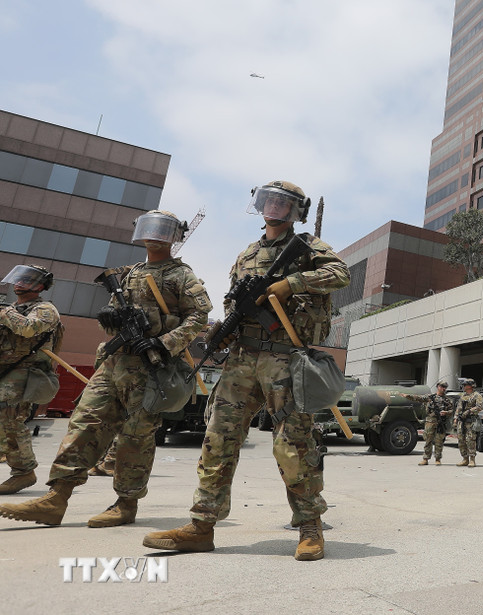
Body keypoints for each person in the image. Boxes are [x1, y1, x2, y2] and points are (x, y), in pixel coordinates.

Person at [143, 180, 350, 561]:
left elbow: (341, 274)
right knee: (217, 440)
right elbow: (234, 301)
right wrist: (224, 332)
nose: (273, 208)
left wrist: (292, 283)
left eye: (282, 203)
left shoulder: (308, 247)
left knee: (293, 444)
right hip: (241, 358)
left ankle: (310, 526)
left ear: (295, 211)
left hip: (285, 358)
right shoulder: (246, 255)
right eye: (268, 201)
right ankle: (201, 526)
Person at [0, 210, 211, 526]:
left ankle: (126, 503)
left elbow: (198, 317)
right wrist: (109, 319)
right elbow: (113, 318)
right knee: (83, 424)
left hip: (151, 367)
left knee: (135, 436)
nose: (154, 235)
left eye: (162, 230)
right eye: (150, 228)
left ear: (174, 236)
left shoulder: (181, 275)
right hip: (115, 363)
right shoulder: (129, 273)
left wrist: (163, 341)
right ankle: (56, 498)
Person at [0, 265, 63, 495]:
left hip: (24, 372)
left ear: (40, 286)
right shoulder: (12, 308)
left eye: (27, 280)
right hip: (5, 369)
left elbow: (28, 329)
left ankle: (24, 472)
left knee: (9, 420)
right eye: (19, 279)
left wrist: (5, 313)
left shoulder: (45, 310)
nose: (19, 283)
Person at [402, 380, 453, 466]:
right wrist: (407, 396)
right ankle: (425, 459)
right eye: (442, 386)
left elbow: (451, 411)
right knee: (428, 441)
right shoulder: (430, 397)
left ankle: (437, 459)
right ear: (438, 387)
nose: (443, 388)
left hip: (441, 423)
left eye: (445, 387)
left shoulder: (447, 400)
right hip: (430, 422)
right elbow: (418, 398)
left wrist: (446, 412)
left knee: (439, 441)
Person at [454, 378, 482, 467]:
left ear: (470, 386)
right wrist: (455, 418)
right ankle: (465, 459)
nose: (464, 386)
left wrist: (469, 411)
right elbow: (458, 408)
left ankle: (472, 459)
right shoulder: (463, 396)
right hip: (462, 421)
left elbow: (479, 407)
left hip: (471, 421)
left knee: (470, 440)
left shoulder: (477, 395)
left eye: (465, 385)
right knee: (461, 440)